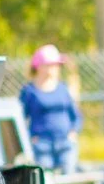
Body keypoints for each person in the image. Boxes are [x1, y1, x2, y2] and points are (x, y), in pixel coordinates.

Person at [18, 44, 80, 174]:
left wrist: (73, 132)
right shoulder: (30, 91)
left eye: (56, 65)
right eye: (51, 64)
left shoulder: (62, 89)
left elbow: (75, 115)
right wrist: (30, 137)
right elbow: (20, 119)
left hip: (65, 143)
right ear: (39, 66)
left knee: (68, 176)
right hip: (42, 145)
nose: (55, 68)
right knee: (46, 179)